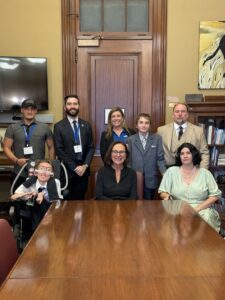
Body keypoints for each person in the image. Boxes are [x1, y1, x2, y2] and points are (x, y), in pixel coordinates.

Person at [158, 142, 221, 232]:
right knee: (168, 221)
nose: (185, 156)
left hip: (201, 208)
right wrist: (166, 196)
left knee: (207, 216)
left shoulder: (205, 173)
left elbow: (215, 196)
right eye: (182, 154)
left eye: (188, 153)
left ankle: (206, 244)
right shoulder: (171, 172)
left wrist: (196, 210)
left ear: (194, 155)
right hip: (178, 208)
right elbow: (163, 191)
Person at [3, 99, 55, 187]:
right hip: (19, 172)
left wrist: (50, 167)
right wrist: (16, 160)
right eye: (27, 108)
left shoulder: (45, 128)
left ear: (36, 111)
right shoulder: (12, 128)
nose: (30, 111)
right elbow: (6, 147)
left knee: (39, 198)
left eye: (32, 109)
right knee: (19, 199)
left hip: (39, 173)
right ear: (22, 110)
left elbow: (51, 147)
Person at [54, 94, 94, 200]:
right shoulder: (59, 126)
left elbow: (91, 147)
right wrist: (75, 167)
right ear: (65, 107)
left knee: (81, 199)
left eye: (75, 104)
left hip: (83, 171)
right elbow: (59, 150)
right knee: (68, 201)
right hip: (68, 171)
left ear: (79, 106)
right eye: (69, 104)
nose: (72, 106)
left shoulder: (86, 125)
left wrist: (85, 165)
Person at [11, 160, 62, 232]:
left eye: (48, 170)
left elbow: (56, 203)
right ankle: (37, 231)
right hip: (31, 209)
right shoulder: (30, 180)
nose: (44, 172)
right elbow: (14, 196)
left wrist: (42, 195)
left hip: (49, 210)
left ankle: (37, 231)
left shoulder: (55, 182)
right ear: (36, 172)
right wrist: (31, 194)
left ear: (51, 174)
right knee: (34, 201)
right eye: (41, 169)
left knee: (40, 202)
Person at [157, 103, 209, 168]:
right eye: (177, 111)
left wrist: (202, 172)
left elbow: (204, 153)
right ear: (173, 114)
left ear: (187, 115)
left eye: (183, 111)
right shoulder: (161, 130)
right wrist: (164, 172)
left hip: (192, 171)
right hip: (169, 171)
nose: (180, 114)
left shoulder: (198, 131)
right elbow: (158, 154)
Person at [127, 113, 166, 200]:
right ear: (136, 125)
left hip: (151, 178)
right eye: (141, 122)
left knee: (149, 204)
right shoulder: (130, 140)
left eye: (146, 123)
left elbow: (160, 158)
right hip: (135, 177)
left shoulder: (157, 139)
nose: (143, 125)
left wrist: (164, 173)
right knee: (135, 204)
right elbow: (128, 161)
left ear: (150, 125)